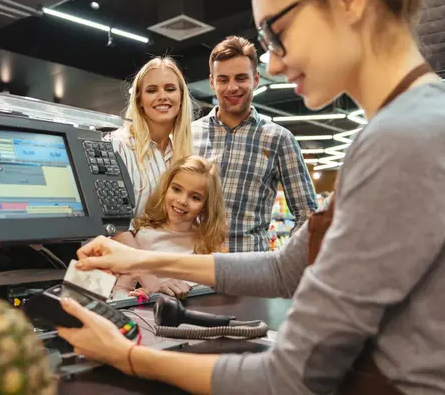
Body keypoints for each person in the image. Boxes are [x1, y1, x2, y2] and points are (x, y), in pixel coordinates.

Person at [55, 0, 445, 394]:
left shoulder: (412, 139)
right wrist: (141, 257)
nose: (272, 64)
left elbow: (291, 377)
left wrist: (128, 357)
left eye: (276, 32)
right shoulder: (425, 119)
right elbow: (283, 269)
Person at [192, 35, 317, 253]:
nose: (232, 87)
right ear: (212, 82)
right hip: (191, 270)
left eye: (241, 78)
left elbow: (307, 214)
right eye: (223, 79)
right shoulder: (190, 134)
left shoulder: (279, 139)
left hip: (250, 273)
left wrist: (283, 262)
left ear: (256, 80)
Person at [110, 155, 228, 300]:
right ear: (166, 189)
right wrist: (140, 298)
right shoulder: (144, 237)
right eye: (177, 189)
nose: (182, 201)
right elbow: (121, 292)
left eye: (195, 197)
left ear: (206, 206)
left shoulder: (209, 241)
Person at [108, 56, 194, 219]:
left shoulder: (184, 154)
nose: (162, 96)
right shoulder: (117, 145)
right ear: (139, 99)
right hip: (121, 244)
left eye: (170, 89)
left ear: (181, 98)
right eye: (152, 90)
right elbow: (112, 224)